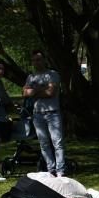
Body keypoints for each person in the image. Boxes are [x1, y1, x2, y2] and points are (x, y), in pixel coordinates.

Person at [23, 49, 67, 177]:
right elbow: (25, 93)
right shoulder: (31, 77)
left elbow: (50, 93)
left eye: (39, 59)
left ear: (44, 60)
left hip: (53, 113)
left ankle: (60, 170)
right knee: (44, 143)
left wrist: (34, 91)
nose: (36, 62)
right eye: (34, 60)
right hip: (38, 114)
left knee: (57, 142)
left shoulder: (53, 74)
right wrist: (41, 89)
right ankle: (50, 169)